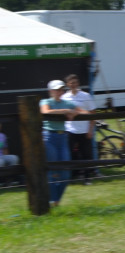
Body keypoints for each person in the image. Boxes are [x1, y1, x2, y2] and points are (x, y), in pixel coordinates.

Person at [39, 79, 81, 207]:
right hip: (49, 137)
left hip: (63, 138)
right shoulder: (46, 101)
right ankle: (53, 201)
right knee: (52, 171)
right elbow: (45, 111)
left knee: (66, 172)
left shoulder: (67, 103)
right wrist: (66, 111)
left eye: (61, 89)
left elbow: (82, 111)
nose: (59, 92)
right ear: (50, 91)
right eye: (56, 89)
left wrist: (74, 112)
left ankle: (55, 201)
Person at [61, 74, 96, 184]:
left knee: (86, 155)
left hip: (84, 130)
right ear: (67, 84)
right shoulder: (64, 97)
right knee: (70, 154)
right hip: (70, 130)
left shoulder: (85, 96)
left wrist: (90, 130)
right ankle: (72, 176)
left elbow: (93, 114)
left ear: (78, 83)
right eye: (71, 83)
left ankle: (86, 178)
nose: (73, 85)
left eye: (75, 82)